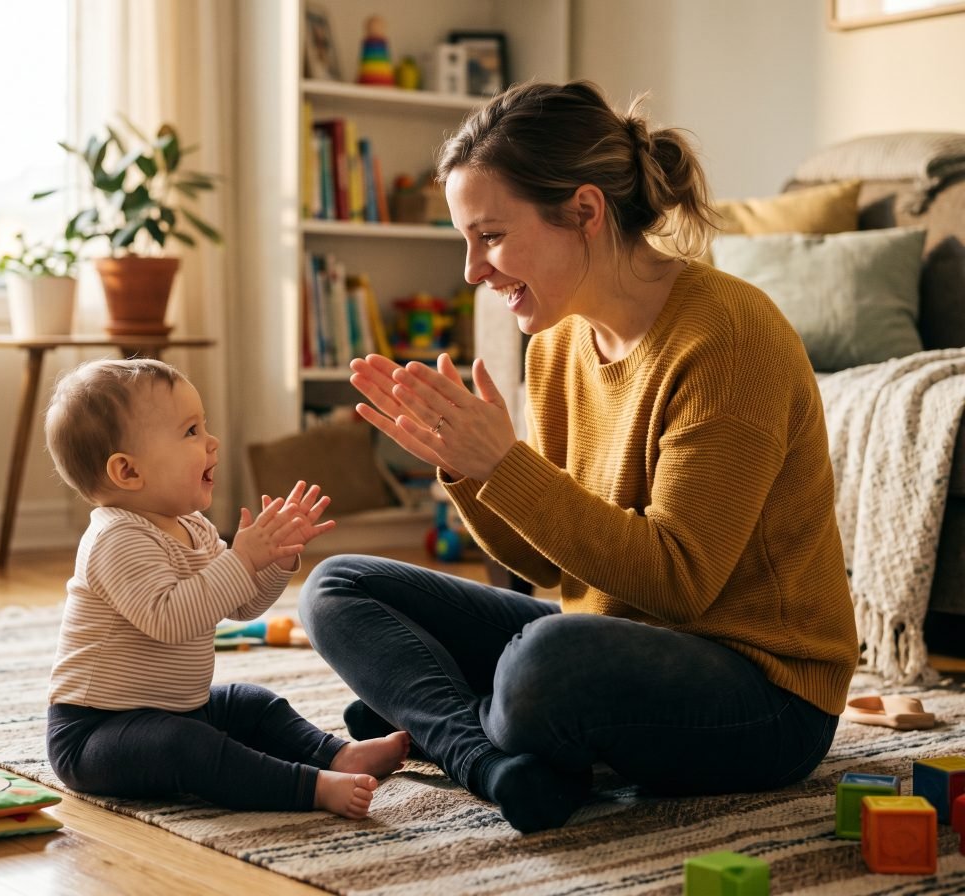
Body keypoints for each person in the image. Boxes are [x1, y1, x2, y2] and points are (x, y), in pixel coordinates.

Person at [298, 80, 859, 834]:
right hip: (613, 642)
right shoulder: (559, 345)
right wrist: (468, 468)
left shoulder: (729, 337)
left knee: (544, 665)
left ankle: (442, 716)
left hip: (762, 695)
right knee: (339, 587)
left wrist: (506, 467)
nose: (472, 271)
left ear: (585, 212)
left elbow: (680, 583)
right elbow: (548, 565)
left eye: (490, 236)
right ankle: (488, 754)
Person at [43, 358, 409, 819]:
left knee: (251, 703)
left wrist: (274, 561)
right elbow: (171, 619)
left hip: (179, 709)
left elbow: (240, 604)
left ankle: (336, 755)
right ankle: (308, 787)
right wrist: (241, 559)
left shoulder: (193, 527)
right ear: (128, 472)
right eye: (191, 431)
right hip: (95, 733)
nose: (212, 441)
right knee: (186, 747)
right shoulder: (115, 539)